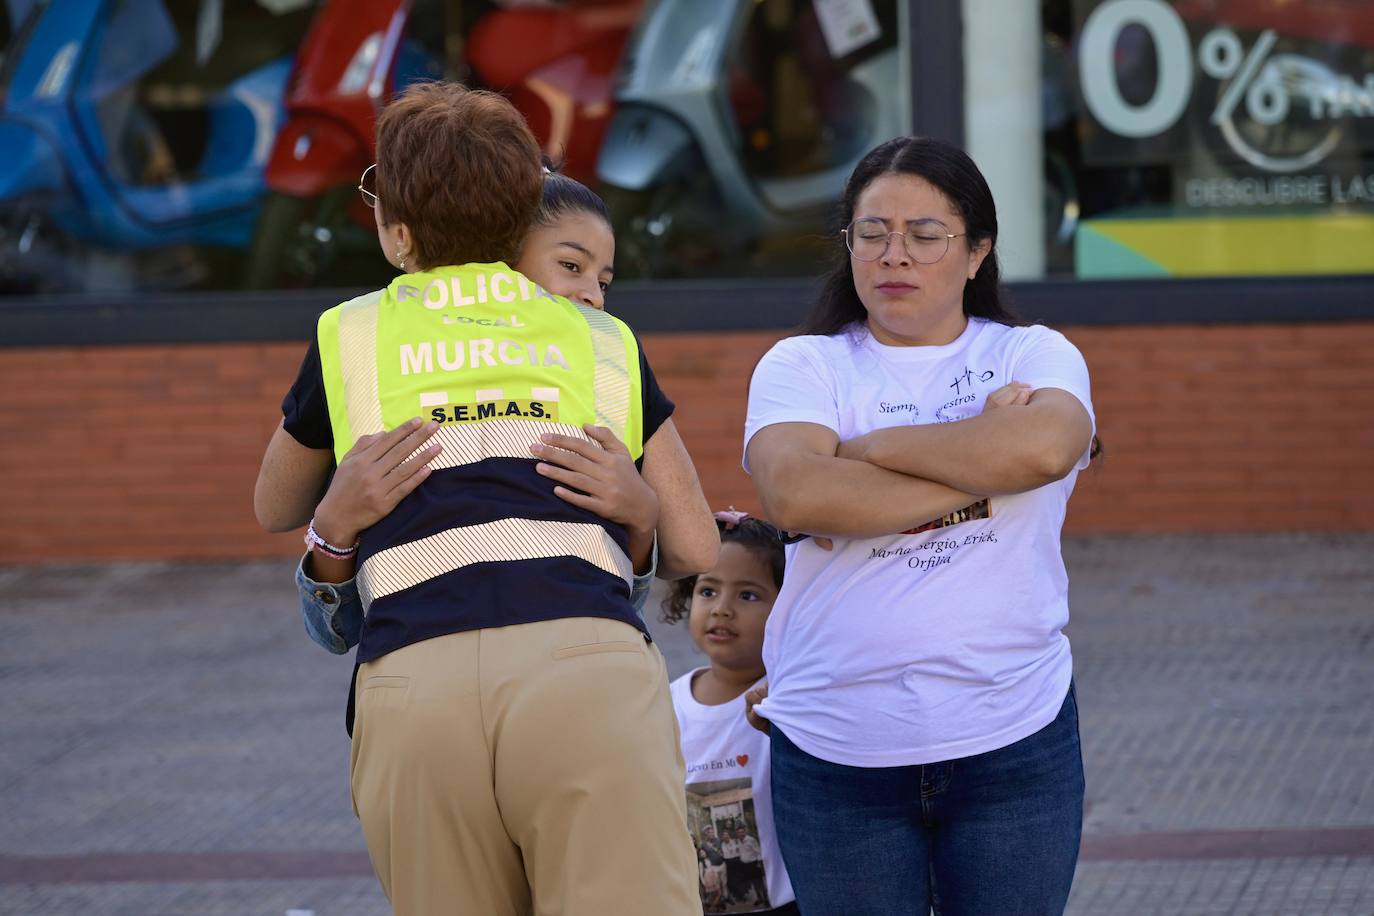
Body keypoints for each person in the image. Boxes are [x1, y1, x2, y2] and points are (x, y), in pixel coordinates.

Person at [253, 82, 715, 916]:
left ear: (397, 233)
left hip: (411, 684)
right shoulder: (602, 340)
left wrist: (339, 515)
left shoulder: (349, 333)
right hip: (587, 674)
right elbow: (696, 546)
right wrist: (638, 515)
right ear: (522, 221)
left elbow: (273, 504)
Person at [743, 136, 1097, 915]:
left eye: (925, 235)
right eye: (872, 233)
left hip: (1012, 737)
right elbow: (798, 495)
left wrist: (866, 454)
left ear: (977, 253)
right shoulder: (803, 366)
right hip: (838, 747)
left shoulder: (1033, 354)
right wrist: (980, 462)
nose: (893, 254)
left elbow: (1045, 444)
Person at [294, 169, 684, 666]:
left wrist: (641, 518)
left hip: (414, 657)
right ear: (503, 252)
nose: (594, 296)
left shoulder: (358, 327)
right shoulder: (605, 345)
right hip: (589, 656)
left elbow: (279, 513)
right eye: (571, 265)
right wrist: (643, 527)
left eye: (604, 282)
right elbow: (689, 550)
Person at [663, 511, 797, 915]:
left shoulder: (787, 701)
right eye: (708, 591)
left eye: (748, 595)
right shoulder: (665, 703)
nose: (721, 609)